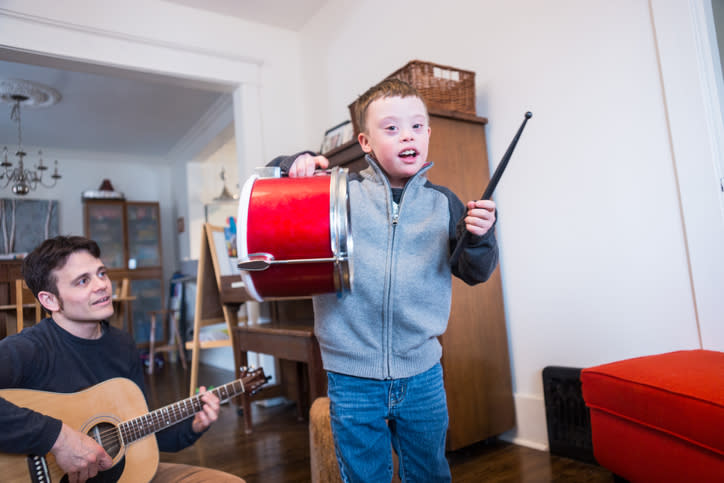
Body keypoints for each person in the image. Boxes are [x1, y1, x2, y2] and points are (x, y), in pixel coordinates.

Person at [268, 78, 499, 482]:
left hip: (423, 373)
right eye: (391, 128)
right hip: (352, 376)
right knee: (364, 476)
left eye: (415, 126)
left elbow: (474, 272)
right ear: (366, 141)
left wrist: (480, 236)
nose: (406, 135)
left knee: (429, 473)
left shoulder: (444, 203)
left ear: (428, 133)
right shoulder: (338, 192)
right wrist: (294, 165)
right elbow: (273, 188)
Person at [0, 235, 244, 483]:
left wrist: (193, 426)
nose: (102, 285)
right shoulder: (30, 348)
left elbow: (139, 431)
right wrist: (59, 439)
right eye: (83, 281)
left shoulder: (122, 344)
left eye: (101, 273)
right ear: (49, 300)